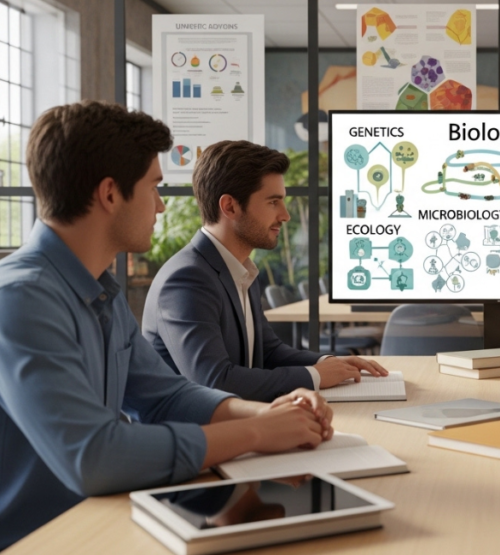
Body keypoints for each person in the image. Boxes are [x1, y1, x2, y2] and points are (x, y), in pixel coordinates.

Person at [0, 101, 335, 549]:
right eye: (154, 187)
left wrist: (270, 414)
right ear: (110, 193)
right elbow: (92, 457)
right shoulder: (19, 299)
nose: (160, 206)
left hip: (110, 518)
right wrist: (255, 433)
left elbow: (165, 395)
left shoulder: (100, 288)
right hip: (44, 538)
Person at [142, 140, 387, 402]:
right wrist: (314, 376)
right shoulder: (187, 279)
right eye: (273, 202)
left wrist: (331, 363)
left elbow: (268, 352)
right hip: (199, 437)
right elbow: (215, 380)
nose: (285, 215)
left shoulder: (240, 270)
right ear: (230, 207)